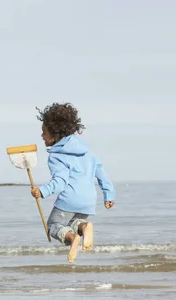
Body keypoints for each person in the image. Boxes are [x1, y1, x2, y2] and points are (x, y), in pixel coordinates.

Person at [31, 102, 115, 263]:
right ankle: (83, 226)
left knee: (53, 226)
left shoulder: (56, 156)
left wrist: (43, 191)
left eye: (44, 133)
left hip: (70, 199)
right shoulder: (88, 154)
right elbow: (101, 174)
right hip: (88, 201)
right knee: (72, 222)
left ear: (55, 135)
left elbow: (61, 181)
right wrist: (109, 194)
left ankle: (73, 239)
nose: (42, 136)